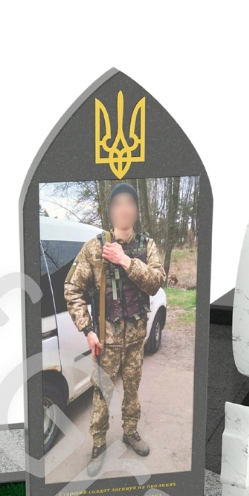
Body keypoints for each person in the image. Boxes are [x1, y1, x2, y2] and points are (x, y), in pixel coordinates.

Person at [63, 181, 166, 475]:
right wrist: (88, 330)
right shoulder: (95, 248)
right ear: (110, 211)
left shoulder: (147, 245)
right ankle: (98, 444)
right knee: (101, 395)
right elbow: (72, 288)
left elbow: (156, 282)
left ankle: (130, 432)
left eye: (129, 203)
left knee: (132, 390)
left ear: (136, 210)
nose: (124, 209)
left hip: (135, 340)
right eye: (118, 203)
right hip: (105, 341)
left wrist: (125, 260)